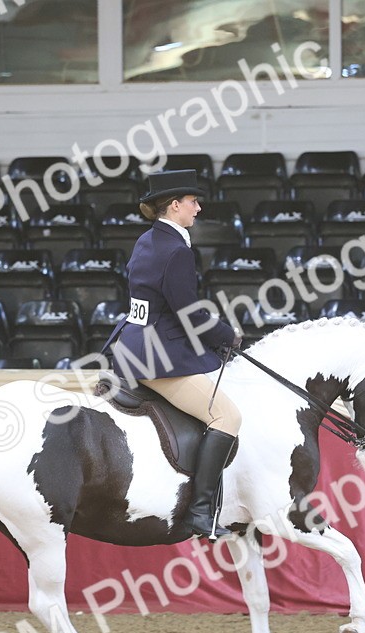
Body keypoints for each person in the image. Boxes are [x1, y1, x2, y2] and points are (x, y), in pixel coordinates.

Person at [110, 169, 242, 540]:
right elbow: (189, 314)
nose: (198, 209)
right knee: (226, 416)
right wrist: (226, 334)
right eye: (193, 202)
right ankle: (201, 513)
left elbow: (154, 304)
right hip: (156, 356)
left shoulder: (146, 241)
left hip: (131, 345)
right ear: (175, 205)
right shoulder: (177, 250)